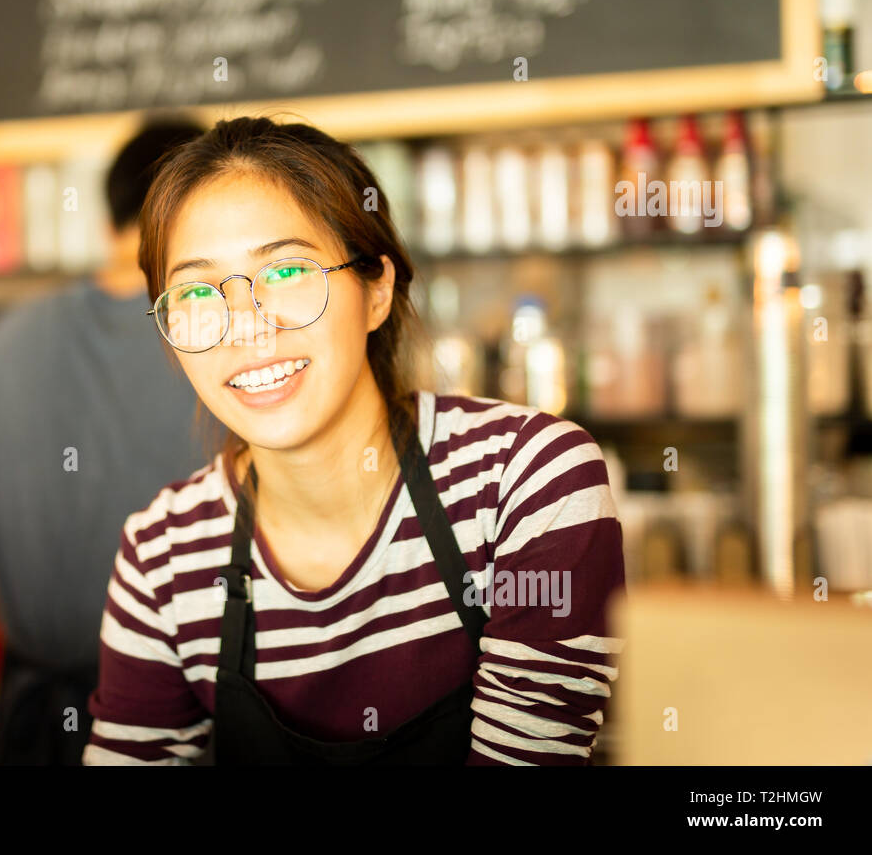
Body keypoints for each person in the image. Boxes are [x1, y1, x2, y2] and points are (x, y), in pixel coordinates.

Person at [82, 116, 627, 765]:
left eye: (286, 272)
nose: (246, 328)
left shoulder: (527, 482)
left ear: (377, 289)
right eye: (197, 290)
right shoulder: (162, 559)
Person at [0, 118, 221, 765]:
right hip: (179, 728)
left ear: (106, 224)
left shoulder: (9, 338)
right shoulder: (217, 341)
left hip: (30, 726)